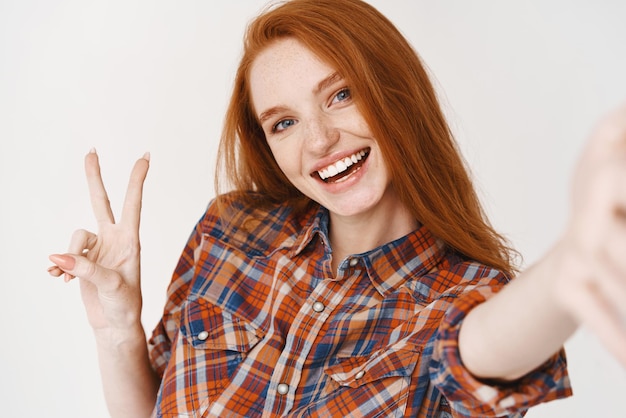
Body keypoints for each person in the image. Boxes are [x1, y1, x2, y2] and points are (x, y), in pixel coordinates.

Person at [47, 0, 626, 416]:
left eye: (341, 95)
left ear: (395, 93)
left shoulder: (463, 298)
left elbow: (476, 350)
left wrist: (571, 259)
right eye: (285, 122)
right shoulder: (230, 231)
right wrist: (119, 331)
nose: (319, 141)